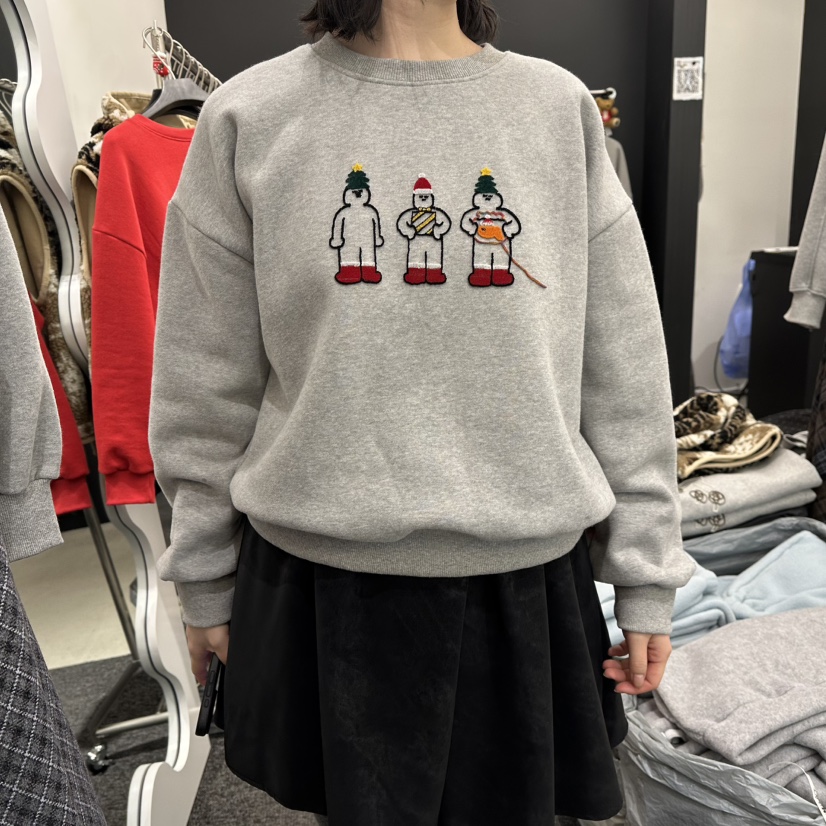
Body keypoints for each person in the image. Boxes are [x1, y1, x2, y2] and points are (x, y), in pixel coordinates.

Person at [148, 1, 697, 823]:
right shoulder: (248, 116)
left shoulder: (555, 108)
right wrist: (203, 574)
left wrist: (646, 572)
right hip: (320, 577)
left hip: (524, 574)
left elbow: (623, 365)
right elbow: (205, 381)